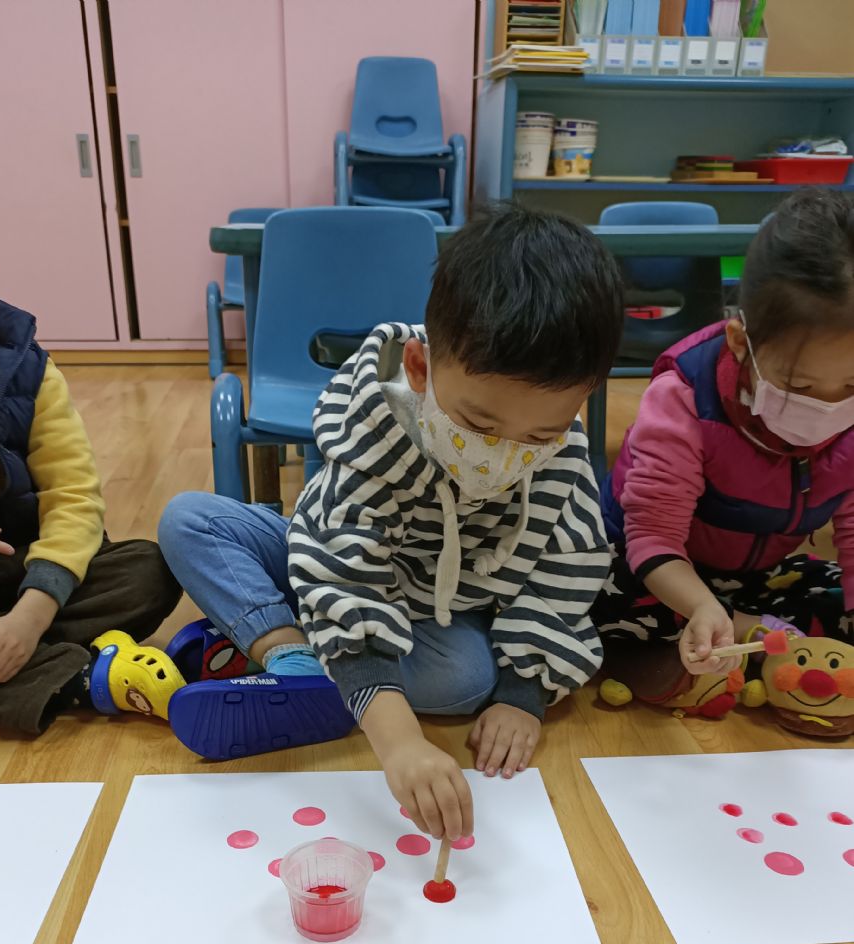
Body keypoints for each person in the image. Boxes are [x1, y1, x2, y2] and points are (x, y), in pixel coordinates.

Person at [160, 204, 624, 839]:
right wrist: (400, 742)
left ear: (583, 398)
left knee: (469, 679)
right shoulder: (378, 426)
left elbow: (563, 574)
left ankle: (311, 661)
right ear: (420, 368)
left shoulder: (562, 458)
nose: (503, 453)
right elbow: (340, 567)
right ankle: (294, 655)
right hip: (331, 557)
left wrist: (524, 696)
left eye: (540, 434)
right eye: (479, 424)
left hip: (433, 617)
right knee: (189, 520)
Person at [0, 166, 182, 734]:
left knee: (150, 569)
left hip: (29, 571)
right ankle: (70, 677)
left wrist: (32, 612)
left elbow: (73, 498)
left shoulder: (27, 375)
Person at [594, 187, 854, 707]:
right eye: (798, 386)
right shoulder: (685, 398)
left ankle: (748, 639)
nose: (828, 407)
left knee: (829, 595)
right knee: (595, 596)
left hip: (755, 579)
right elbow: (653, 536)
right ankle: (744, 637)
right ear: (740, 342)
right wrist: (700, 606)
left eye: (852, 386)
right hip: (656, 571)